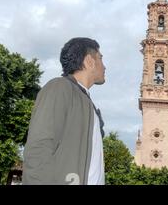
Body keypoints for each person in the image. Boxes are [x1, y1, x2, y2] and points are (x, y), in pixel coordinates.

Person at [23, 37, 106, 185]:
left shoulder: (88, 103)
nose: (104, 66)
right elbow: (39, 149)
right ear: (89, 61)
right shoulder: (59, 87)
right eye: (100, 58)